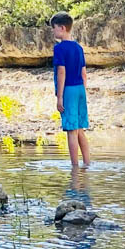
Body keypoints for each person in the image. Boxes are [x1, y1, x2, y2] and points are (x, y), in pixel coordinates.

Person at [50, 12, 90, 168]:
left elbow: (61, 72)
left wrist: (59, 97)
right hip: (80, 89)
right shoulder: (78, 47)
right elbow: (84, 74)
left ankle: (74, 167)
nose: (53, 32)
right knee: (79, 129)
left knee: (71, 131)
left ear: (62, 28)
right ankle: (87, 163)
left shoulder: (59, 48)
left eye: (54, 29)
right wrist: (82, 92)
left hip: (68, 90)